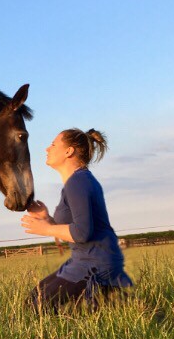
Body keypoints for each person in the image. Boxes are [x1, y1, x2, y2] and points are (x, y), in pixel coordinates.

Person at [21, 128, 133, 312]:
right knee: (34, 298)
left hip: (95, 264)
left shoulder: (78, 182)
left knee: (37, 308)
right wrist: (46, 218)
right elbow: (76, 229)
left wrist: (46, 229)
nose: (47, 149)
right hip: (84, 260)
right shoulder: (76, 182)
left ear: (69, 151)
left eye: (53, 144)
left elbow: (81, 233)